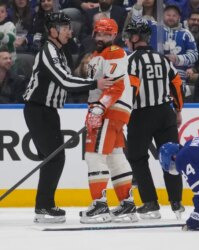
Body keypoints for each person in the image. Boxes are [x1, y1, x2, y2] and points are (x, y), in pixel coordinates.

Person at [22, 12, 115, 223]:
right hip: (38, 110)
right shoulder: (48, 50)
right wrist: (95, 84)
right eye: (64, 28)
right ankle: (43, 207)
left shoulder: (60, 51)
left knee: (52, 158)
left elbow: (70, 78)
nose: (69, 31)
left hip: (48, 111)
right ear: (53, 31)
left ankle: (44, 205)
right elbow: (65, 81)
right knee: (54, 157)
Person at [79, 18, 139, 224]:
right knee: (114, 155)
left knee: (94, 154)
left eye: (106, 34)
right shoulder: (99, 55)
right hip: (111, 110)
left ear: (114, 35)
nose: (101, 37)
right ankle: (127, 204)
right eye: (98, 33)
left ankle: (99, 204)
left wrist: (99, 108)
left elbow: (115, 86)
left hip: (109, 110)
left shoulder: (114, 51)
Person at [124, 22, 185, 220]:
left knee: (137, 158)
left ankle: (150, 203)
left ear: (135, 38)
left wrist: (124, 113)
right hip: (165, 113)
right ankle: (177, 202)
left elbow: (132, 89)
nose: (127, 39)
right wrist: (177, 110)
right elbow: (176, 83)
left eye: (129, 35)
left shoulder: (131, 60)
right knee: (171, 158)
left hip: (140, 115)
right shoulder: (162, 59)